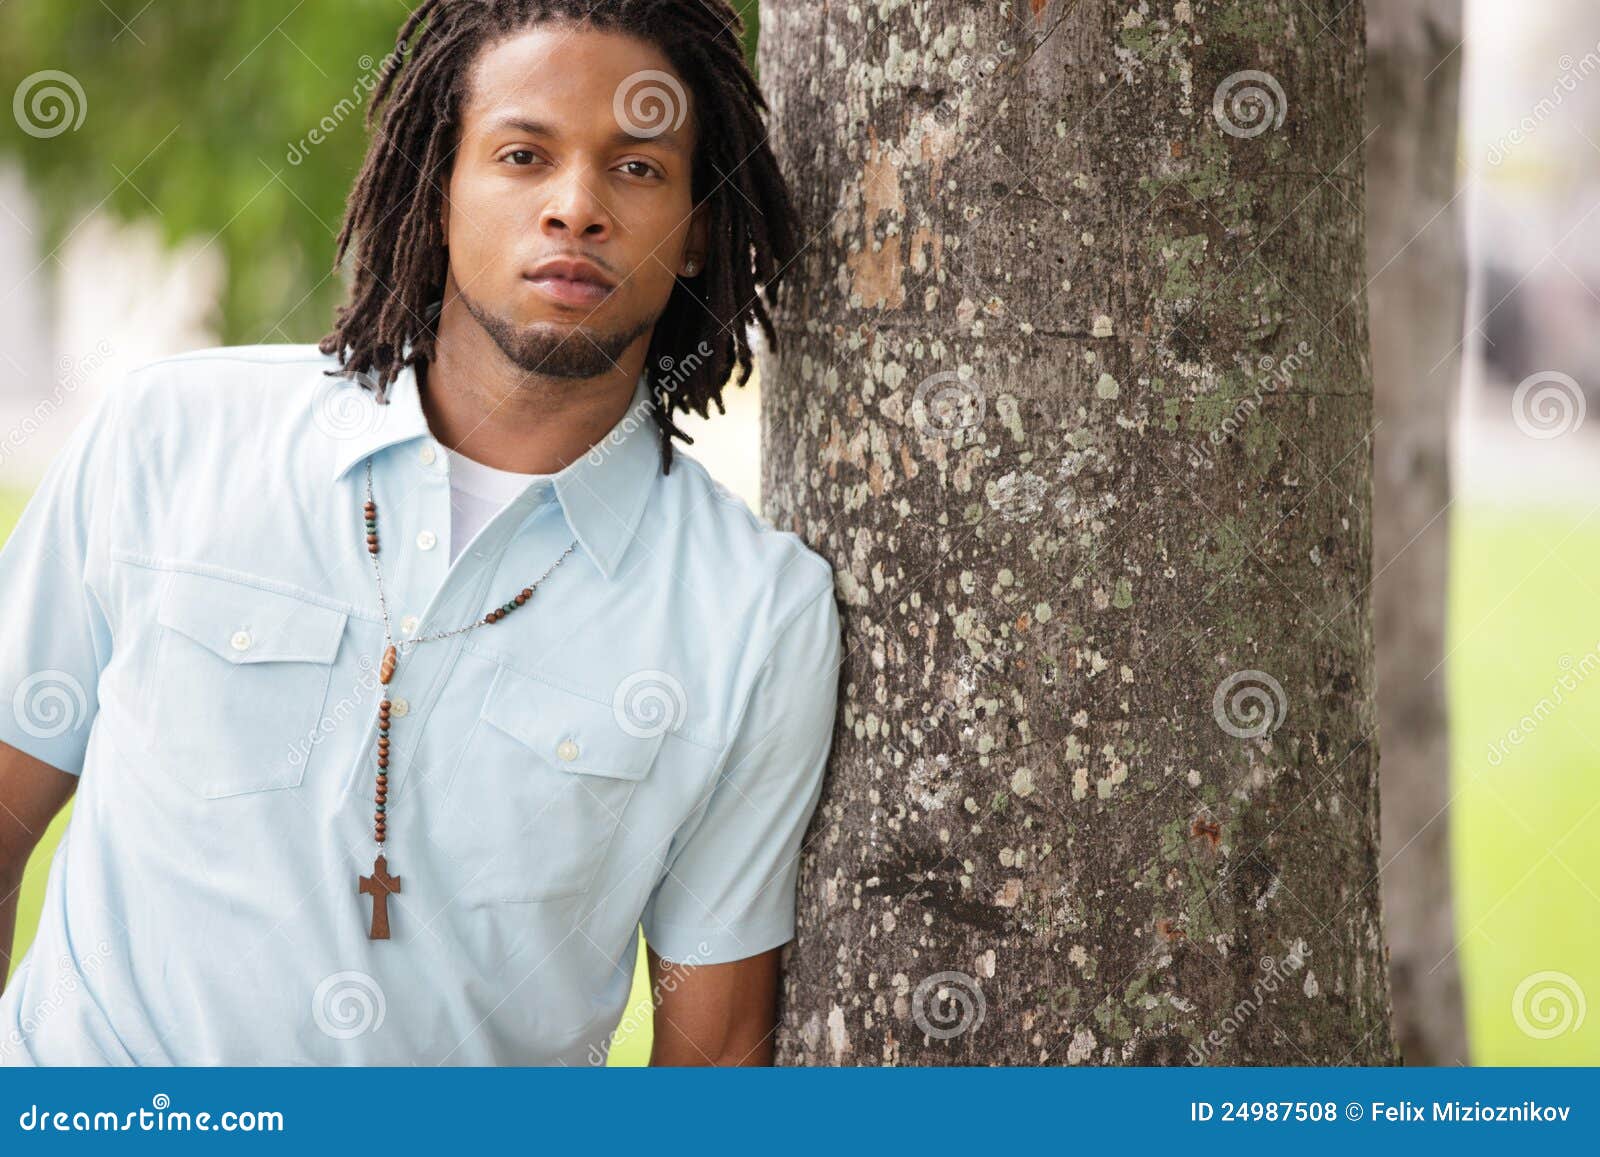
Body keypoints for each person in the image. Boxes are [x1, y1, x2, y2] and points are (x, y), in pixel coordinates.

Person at [0, 0, 840, 1066]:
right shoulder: (172, 436)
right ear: (437, 186)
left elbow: (712, 1056)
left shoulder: (754, 613)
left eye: (637, 169)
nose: (575, 207)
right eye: (524, 154)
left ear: (700, 226)